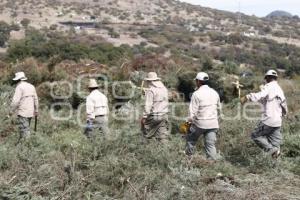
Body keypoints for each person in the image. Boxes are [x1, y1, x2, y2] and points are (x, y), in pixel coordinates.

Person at [241, 70, 288, 158]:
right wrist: (284, 114)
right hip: (278, 121)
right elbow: (284, 104)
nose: (265, 80)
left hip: (268, 120)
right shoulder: (279, 89)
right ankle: (275, 166)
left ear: (268, 78)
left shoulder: (269, 86)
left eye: (266, 78)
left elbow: (260, 95)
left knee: (255, 135)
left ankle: (271, 150)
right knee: (275, 144)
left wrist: (247, 97)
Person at [185, 72, 221, 160]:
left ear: (198, 81)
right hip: (213, 124)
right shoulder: (215, 93)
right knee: (210, 145)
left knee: (190, 139)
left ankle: (189, 159)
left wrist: (187, 124)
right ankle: (212, 163)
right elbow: (219, 109)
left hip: (200, 124)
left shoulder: (196, 94)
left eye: (196, 81)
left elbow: (192, 112)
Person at [141, 72, 169, 143]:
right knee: (162, 135)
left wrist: (144, 117)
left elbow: (148, 105)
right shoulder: (164, 89)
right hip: (164, 115)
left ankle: (144, 146)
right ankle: (165, 150)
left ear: (150, 81)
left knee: (145, 131)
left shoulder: (151, 90)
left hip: (154, 116)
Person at [10, 72, 39, 139]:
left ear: (18, 80)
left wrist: (11, 111)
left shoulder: (19, 87)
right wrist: (36, 110)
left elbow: (15, 101)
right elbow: (36, 99)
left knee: (25, 131)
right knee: (25, 128)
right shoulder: (32, 86)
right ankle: (22, 144)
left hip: (23, 112)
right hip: (30, 112)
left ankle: (27, 145)